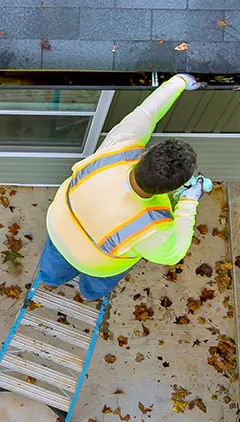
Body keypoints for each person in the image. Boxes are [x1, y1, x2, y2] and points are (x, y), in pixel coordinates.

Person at [39, 73, 211, 302]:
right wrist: (188, 202)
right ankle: (89, 294)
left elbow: (146, 113)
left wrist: (177, 83)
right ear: (171, 190)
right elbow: (174, 253)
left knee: (54, 260)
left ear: (144, 154)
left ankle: (49, 282)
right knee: (101, 280)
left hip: (60, 225)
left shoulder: (120, 146)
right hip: (98, 263)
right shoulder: (151, 228)